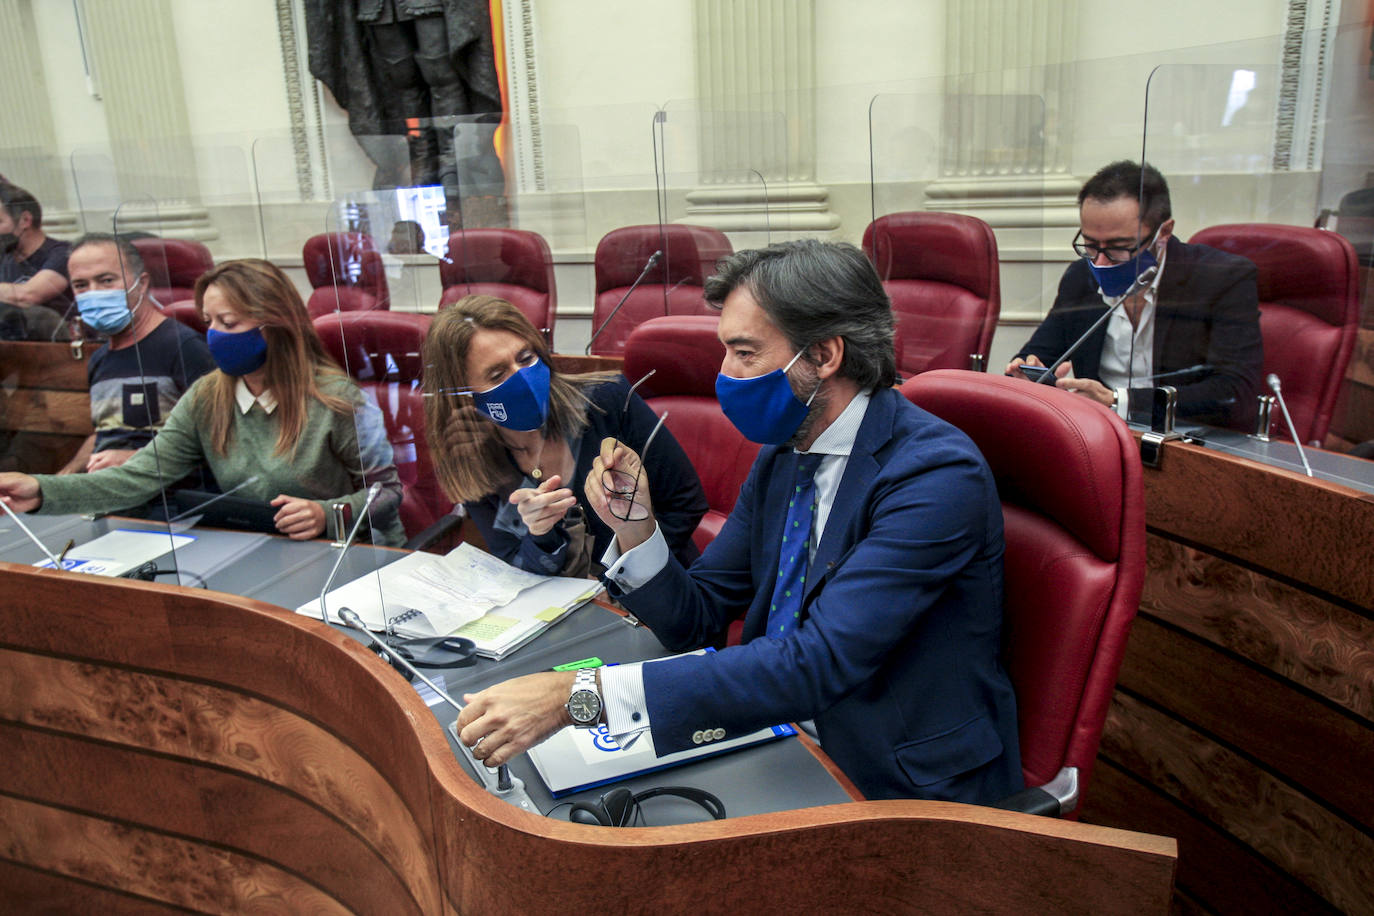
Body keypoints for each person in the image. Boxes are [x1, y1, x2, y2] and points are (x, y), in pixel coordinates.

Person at [454, 241, 1023, 804]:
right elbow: (697, 619)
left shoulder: (933, 473)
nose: (724, 373)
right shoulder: (787, 454)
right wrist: (635, 527)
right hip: (780, 734)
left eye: (744, 353)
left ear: (825, 355)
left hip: (899, 783)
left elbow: (818, 662)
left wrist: (579, 696)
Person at [0, 259, 405, 546]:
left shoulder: (336, 399)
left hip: (348, 553)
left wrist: (327, 513)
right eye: (208, 322)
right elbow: (137, 477)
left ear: (277, 325)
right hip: (260, 549)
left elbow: (387, 493)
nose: (214, 335)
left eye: (228, 323)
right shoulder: (207, 396)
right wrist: (40, 490)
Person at [422, 294, 707, 577]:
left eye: (526, 358)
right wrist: (541, 535)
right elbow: (515, 564)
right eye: (497, 375)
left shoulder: (608, 401)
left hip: (660, 583)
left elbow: (685, 501)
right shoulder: (471, 453)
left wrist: (626, 581)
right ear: (463, 396)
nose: (522, 377)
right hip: (567, 602)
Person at [1006, 160, 1263, 431]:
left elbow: (1235, 393)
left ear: (1164, 233)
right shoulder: (1081, 277)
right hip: (1101, 433)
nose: (1101, 263)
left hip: (1185, 438)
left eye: (1119, 247)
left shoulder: (1222, 279)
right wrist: (1028, 372)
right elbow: (1038, 355)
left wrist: (1119, 401)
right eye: (1091, 245)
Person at [57, 233, 217, 475]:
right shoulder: (100, 358)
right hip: (107, 487)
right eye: (81, 285)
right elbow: (106, 433)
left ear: (141, 283)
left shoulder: (184, 347)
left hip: (165, 491)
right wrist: (64, 479)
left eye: (106, 280)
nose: (93, 293)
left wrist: (134, 458)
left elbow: (219, 439)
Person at [0, 183, 73, 341]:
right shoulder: (6, 256)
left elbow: (29, 295)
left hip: (57, 346)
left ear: (25, 220)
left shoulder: (62, 254)